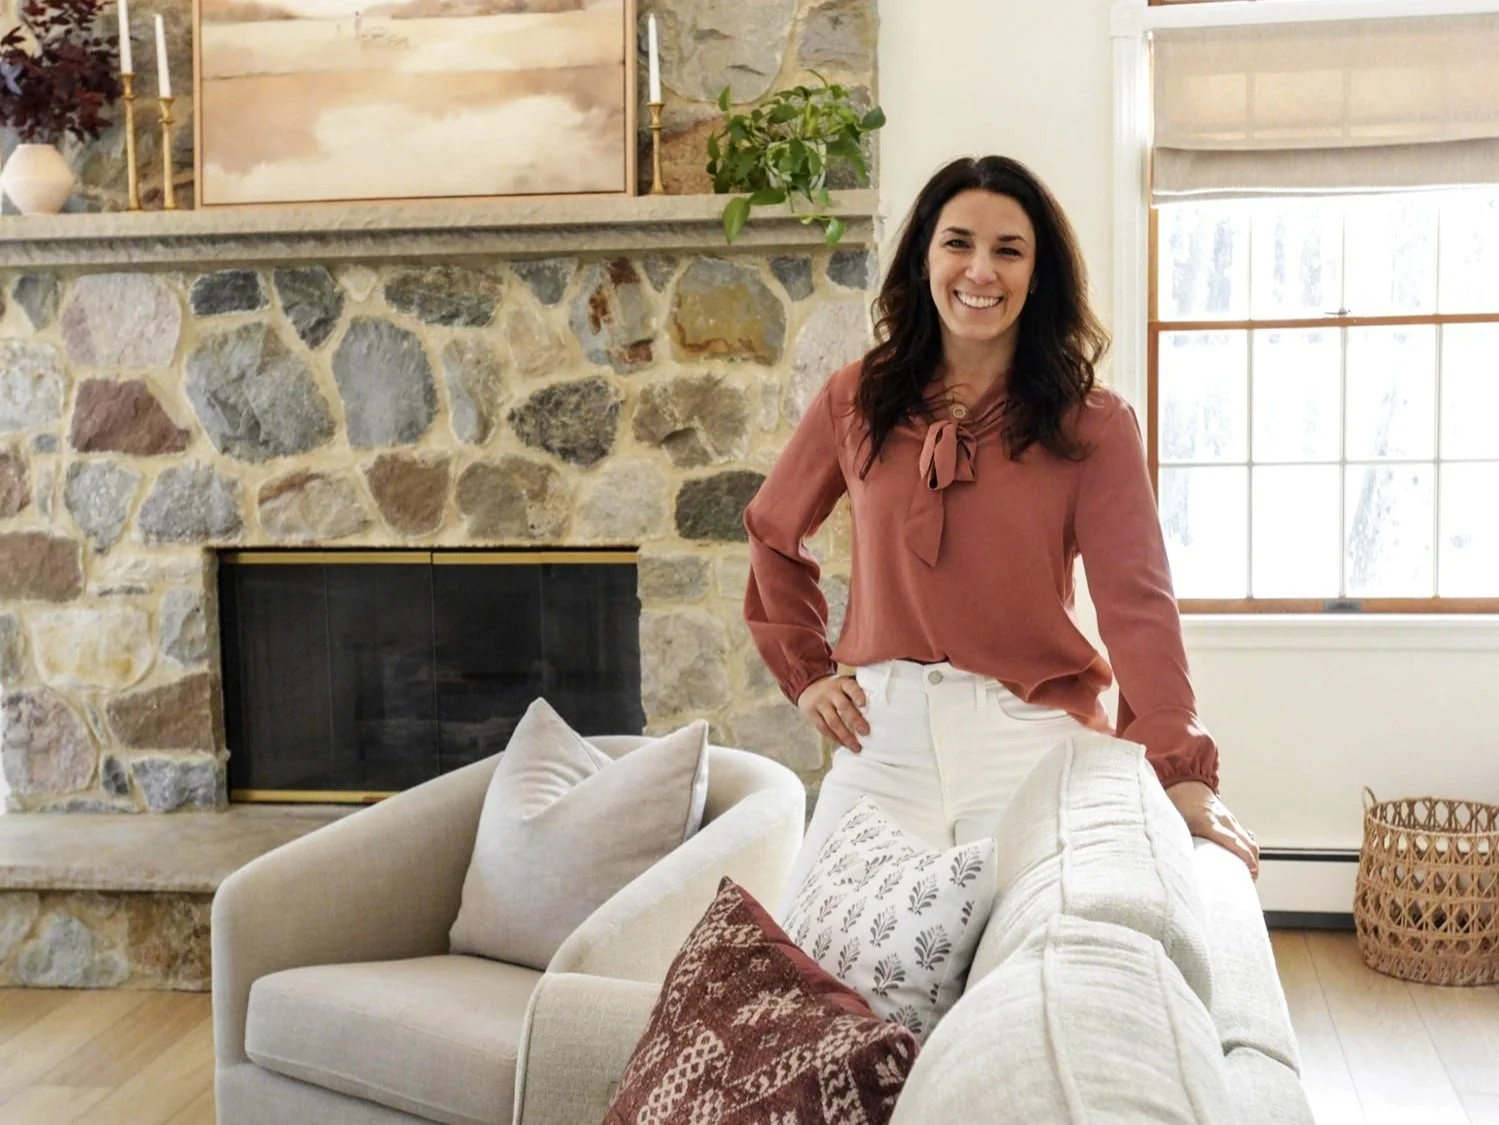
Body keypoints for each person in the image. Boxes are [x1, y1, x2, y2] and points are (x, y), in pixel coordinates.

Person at [744, 155, 1259, 904]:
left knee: (1014, 962)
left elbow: (1136, 605)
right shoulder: (853, 398)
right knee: (809, 956)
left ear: (1037, 272)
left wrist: (1177, 772)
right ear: (924, 255)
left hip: (1027, 738)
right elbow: (772, 531)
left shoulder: (1093, 424)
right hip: (880, 737)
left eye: (1007, 250)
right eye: (957, 242)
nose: (979, 270)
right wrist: (806, 671)